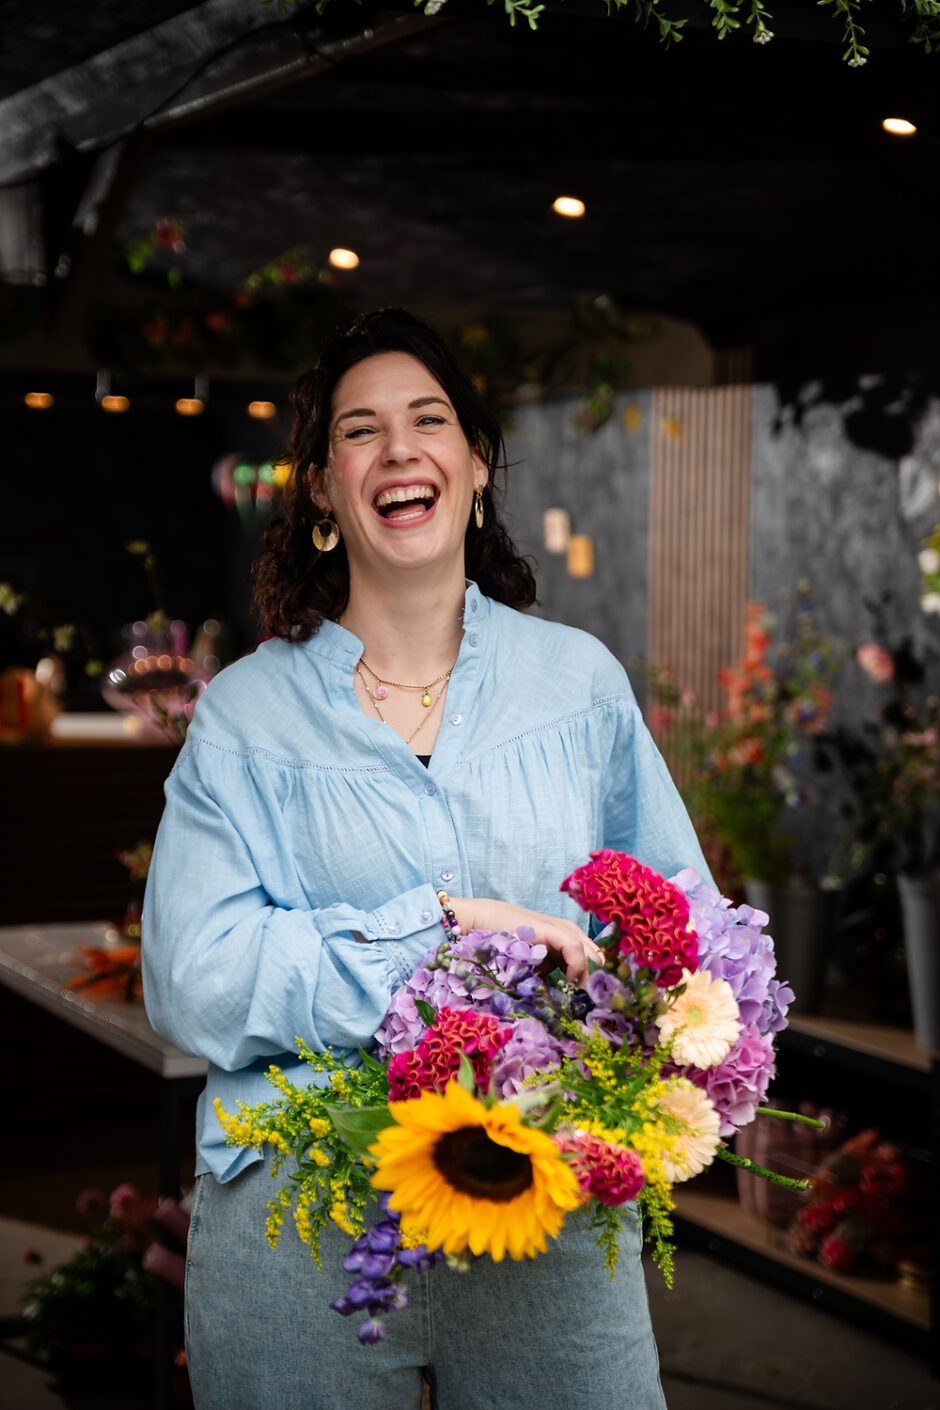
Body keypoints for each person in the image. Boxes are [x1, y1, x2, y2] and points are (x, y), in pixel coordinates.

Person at [142, 308, 709, 1410]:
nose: (398, 448)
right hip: (298, 1217)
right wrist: (446, 935)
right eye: (360, 430)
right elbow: (193, 981)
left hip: (544, 1200)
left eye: (428, 419)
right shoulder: (247, 715)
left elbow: (678, 926)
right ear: (320, 485)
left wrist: (671, 1047)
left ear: (476, 463)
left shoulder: (577, 683)